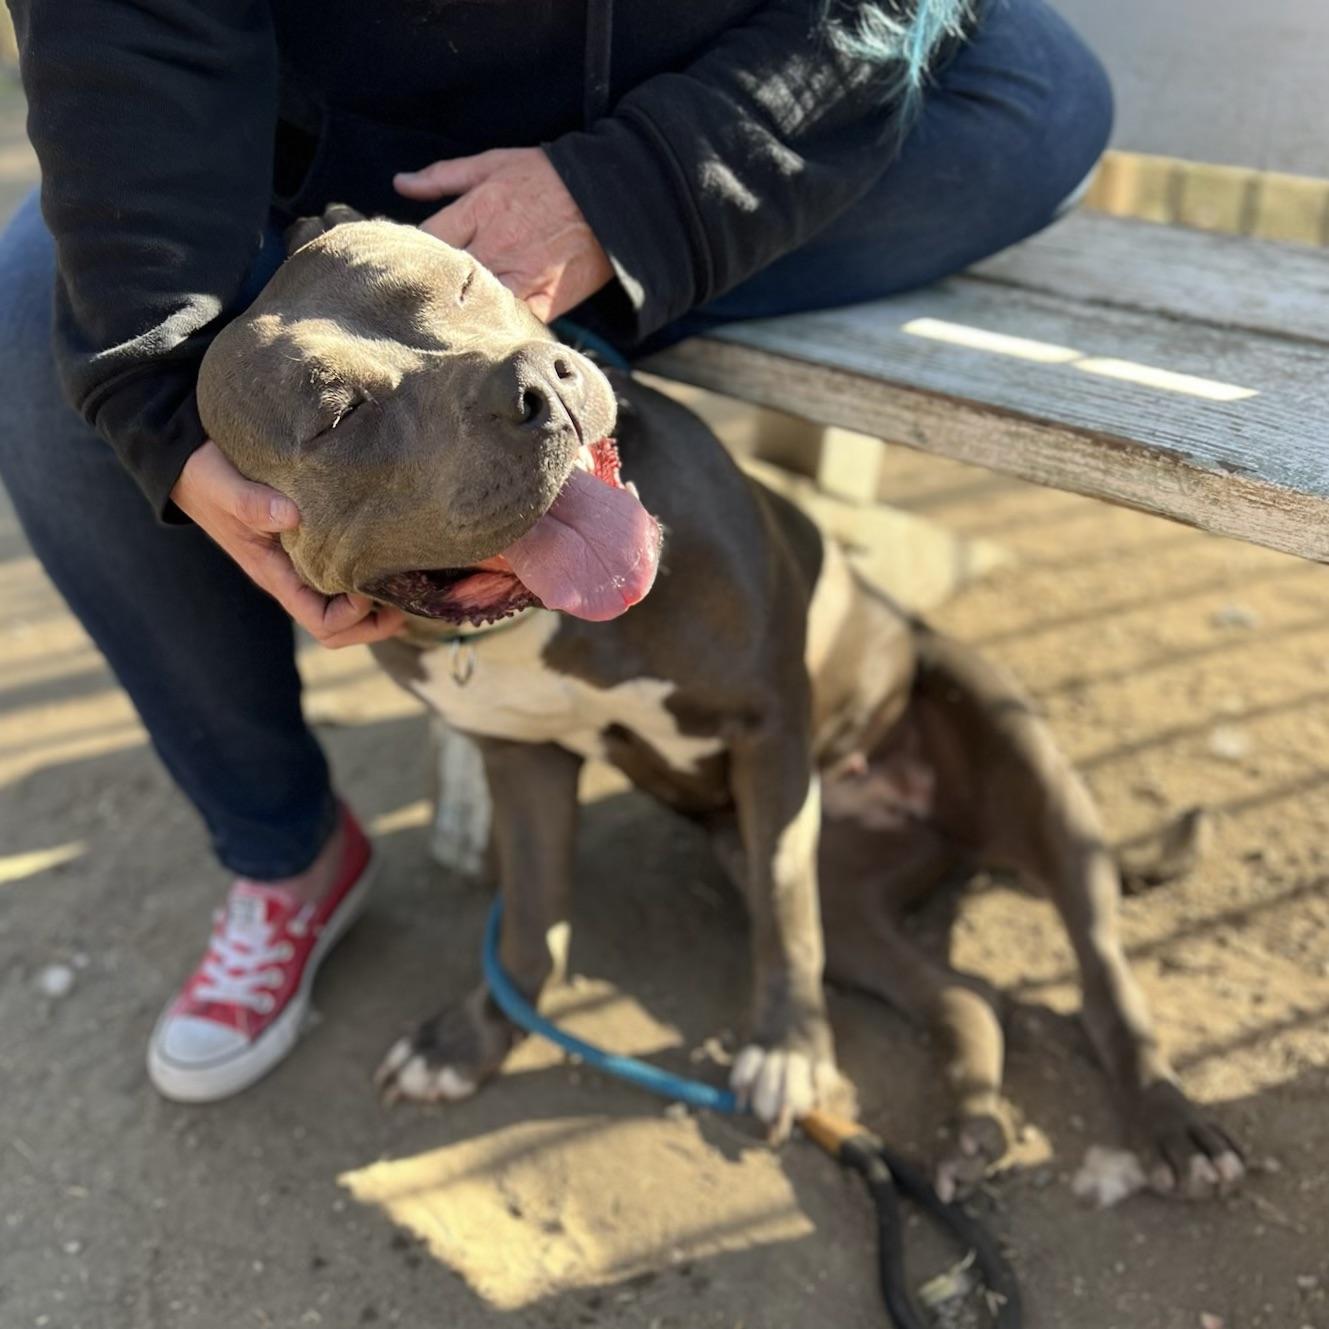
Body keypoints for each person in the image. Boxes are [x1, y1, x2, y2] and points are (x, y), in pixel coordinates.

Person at [0, 0, 1111, 1103]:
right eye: (342, 416)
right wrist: (155, 400)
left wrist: (637, 192)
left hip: (741, 112)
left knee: (1036, 97)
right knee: (40, 306)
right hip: (365, 168)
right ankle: (282, 850)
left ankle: (525, 340)